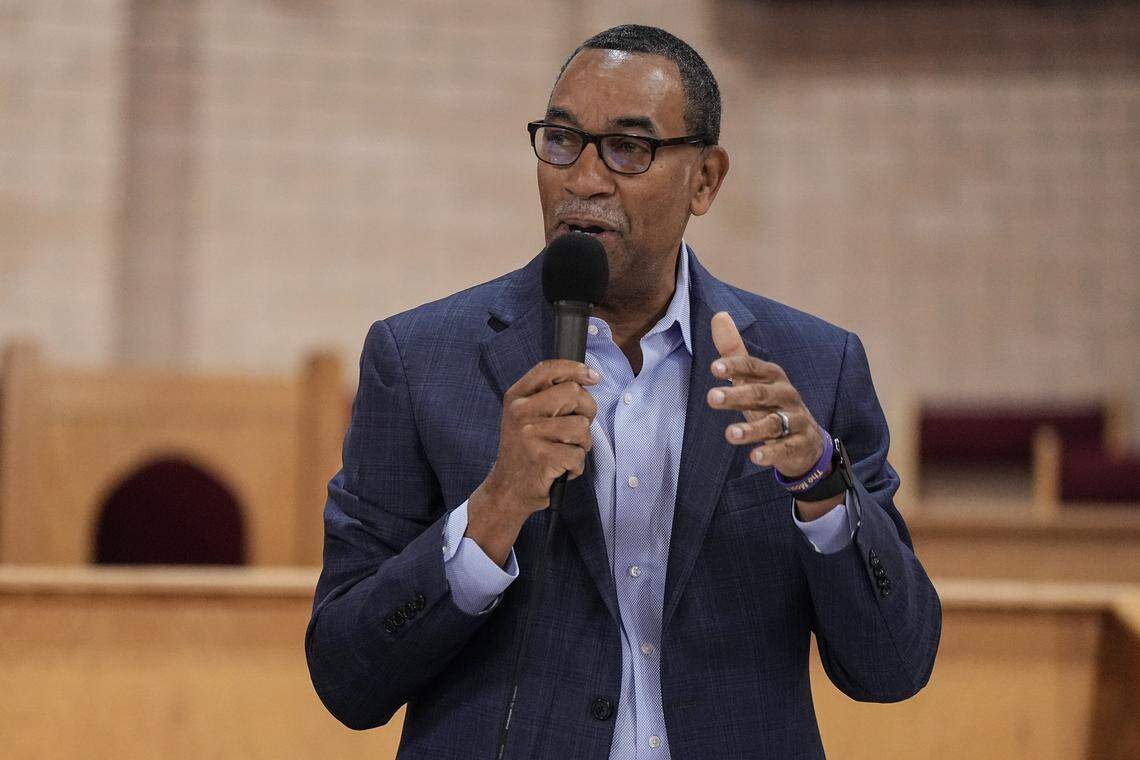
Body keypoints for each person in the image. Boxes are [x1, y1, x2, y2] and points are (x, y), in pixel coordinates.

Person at [306, 24, 940, 760]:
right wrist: (494, 509)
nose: (583, 179)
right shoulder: (420, 361)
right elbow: (347, 678)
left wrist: (821, 488)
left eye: (628, 148)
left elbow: (894, 667)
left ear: (705, 180)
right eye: (562, 140)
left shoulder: (812, 370)